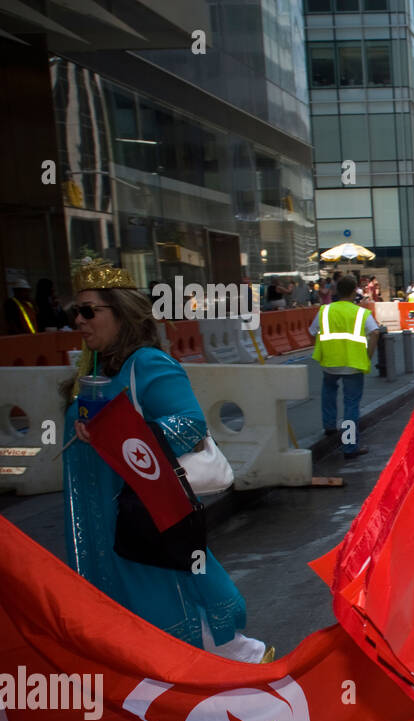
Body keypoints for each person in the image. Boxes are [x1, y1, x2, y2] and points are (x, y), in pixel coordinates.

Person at [59, 259, 266, 662]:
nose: (78, 321)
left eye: (88, 311)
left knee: (195, 636)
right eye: (74, 312)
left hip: (140, 524)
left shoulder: (147, 364)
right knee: (131, 636)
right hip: (101, 524)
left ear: (120, 312)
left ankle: (262, 697)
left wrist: (112, 436)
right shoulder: (97, 368)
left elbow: (190, 425)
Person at [309, 273, 379, 459]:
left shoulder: (324, 310)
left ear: (336, 291)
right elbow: (375, 333)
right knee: (351, 404)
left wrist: (324, 347)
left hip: (330, 362)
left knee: (328, 393)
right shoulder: (360, 312)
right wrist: (367, 356)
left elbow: (312, 332)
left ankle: (329, 426)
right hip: (353, 364)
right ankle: (349, 446)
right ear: (354, 290)